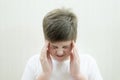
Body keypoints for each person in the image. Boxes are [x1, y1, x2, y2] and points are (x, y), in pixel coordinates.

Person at [21, 8, 103, 80]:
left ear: (73, 42)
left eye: (65, 47)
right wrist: (45, 75)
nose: (60, 52)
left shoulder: (88, 63)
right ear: (46, 41)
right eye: (54, 47)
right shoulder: (34, 63)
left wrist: (77, 75)